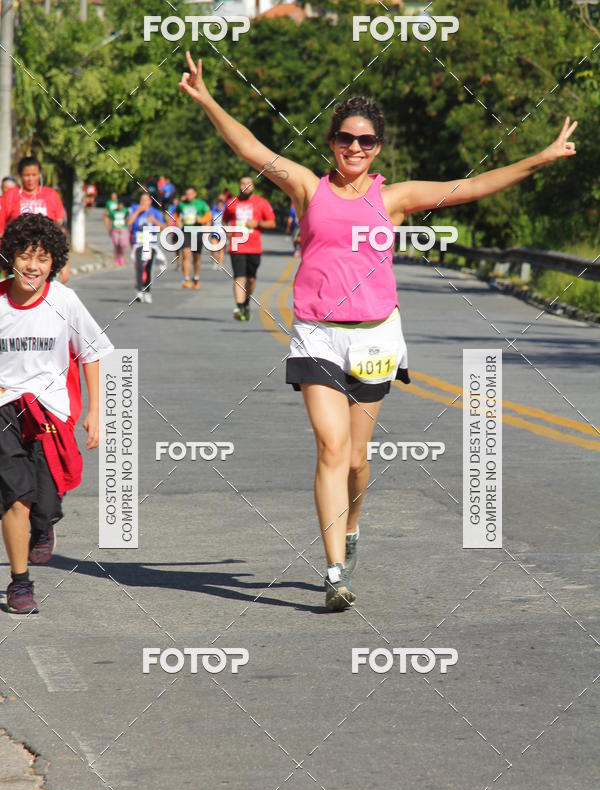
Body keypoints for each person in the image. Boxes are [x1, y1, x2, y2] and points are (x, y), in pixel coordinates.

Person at [180, 52, 577, 611]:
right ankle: (334, 572)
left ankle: (352, 528)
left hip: (373, 338)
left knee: (359, 462)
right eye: (346, 139)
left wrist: (539, 157)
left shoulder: (393, 197)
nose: (355, 149)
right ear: (332, 141)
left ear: (378, 149)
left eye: (366, 142)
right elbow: (250, 147)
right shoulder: (306, 188)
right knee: (331, 447)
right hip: (318, 333)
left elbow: (471, 187)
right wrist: (206, 99)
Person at [0, 213, 114, 614]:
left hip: (51, 414)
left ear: (54, 263)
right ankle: (19, 583)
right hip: (5, 411)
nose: (33, 266)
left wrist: (96, 411)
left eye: (43, 258)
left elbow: (94, 351)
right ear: (9, 257)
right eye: (25, 255)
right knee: (16, 498)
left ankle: (45, 524)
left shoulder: (64, 301)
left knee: (44, 503)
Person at [0, 156, 70, 282]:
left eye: (34, 174)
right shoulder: (10, 195)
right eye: (27, 175)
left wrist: (65, 262)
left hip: (46, 259)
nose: (30, 179)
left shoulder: (51, 195)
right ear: (20, 176)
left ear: (40, 174)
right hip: (18, 260)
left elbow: (60, 230)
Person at [222, 176, 276, 321]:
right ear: (239, 186)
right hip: (237, 245)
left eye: (249, 184)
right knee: (239, 276)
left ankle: (246, 303)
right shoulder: (231, 202)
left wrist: (257, 224)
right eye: (243, 183)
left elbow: (271, 223)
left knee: (251, 280)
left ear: (253, 186)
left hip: (254, 247)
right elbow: (224, 220)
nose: (245, 186)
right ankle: (239, 308)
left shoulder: (262, 202)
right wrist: (226, 230)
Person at [127, 192, 166, 304]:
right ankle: (139, 290)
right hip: (138, 243)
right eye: (141, 200)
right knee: (139, 266)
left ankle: (147, 291)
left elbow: (163, 227)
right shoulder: (135, 210)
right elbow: (129, 223)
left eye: (146, 200)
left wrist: (154, 221)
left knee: (148, 268)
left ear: (150, 201)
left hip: (151, 243)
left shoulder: (155, 212)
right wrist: (138, 212)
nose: (143, 203)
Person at [176, 186, 211, 290]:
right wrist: (178, 222)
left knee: (196, 257)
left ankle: (196, 278)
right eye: (187, 194)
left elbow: (209, 215)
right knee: (186, 254)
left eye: (191, 194)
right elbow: (176, 213)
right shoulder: (181, 203)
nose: (189, 196)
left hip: (197, 231)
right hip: (185, 231)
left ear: (195, 194)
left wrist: (201, 220)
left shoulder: (201, 203)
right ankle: (186, 279)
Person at [103, 197, 129, 266]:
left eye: (121, 205)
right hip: (115, 230)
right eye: (118, 205)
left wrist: (128, 224)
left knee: (122, 245)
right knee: (116, 245)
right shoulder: (113, 212)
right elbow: (107, 217)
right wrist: (108, 227)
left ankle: (122, 256)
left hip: (123, 229)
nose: (120, 206)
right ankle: (116, 259)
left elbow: (128, 220)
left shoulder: (126, 211)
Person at [209, 194, 226, 269]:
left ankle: (220, 264)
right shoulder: (213, 211)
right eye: (218, 206)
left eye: (221, 206)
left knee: (221, 250)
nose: (219, 207)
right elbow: (209, 221)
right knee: (213, 248)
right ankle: (215, 262)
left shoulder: (225, 212)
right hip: (214, 233)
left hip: (223, 233)